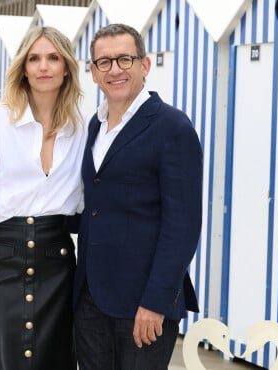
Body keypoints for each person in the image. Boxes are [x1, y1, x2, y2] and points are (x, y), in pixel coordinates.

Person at [74, 23, 203, 370]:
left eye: (124, 59)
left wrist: (156, 302)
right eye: (104, 62)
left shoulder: (172, 127)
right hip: (90, 299)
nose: (114, 69)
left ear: (144, 65)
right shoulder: (94, 126)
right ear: (93, 72)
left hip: (142, 304)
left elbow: (183, 226)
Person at [0, 26, 85, 370]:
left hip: (57, 262)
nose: (44, 66)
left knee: (56, 359)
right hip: (2, 259)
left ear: (67, 67)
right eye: (35, 58)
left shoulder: (81, 127)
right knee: (5, 360)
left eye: (53, 58)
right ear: (23, 67)